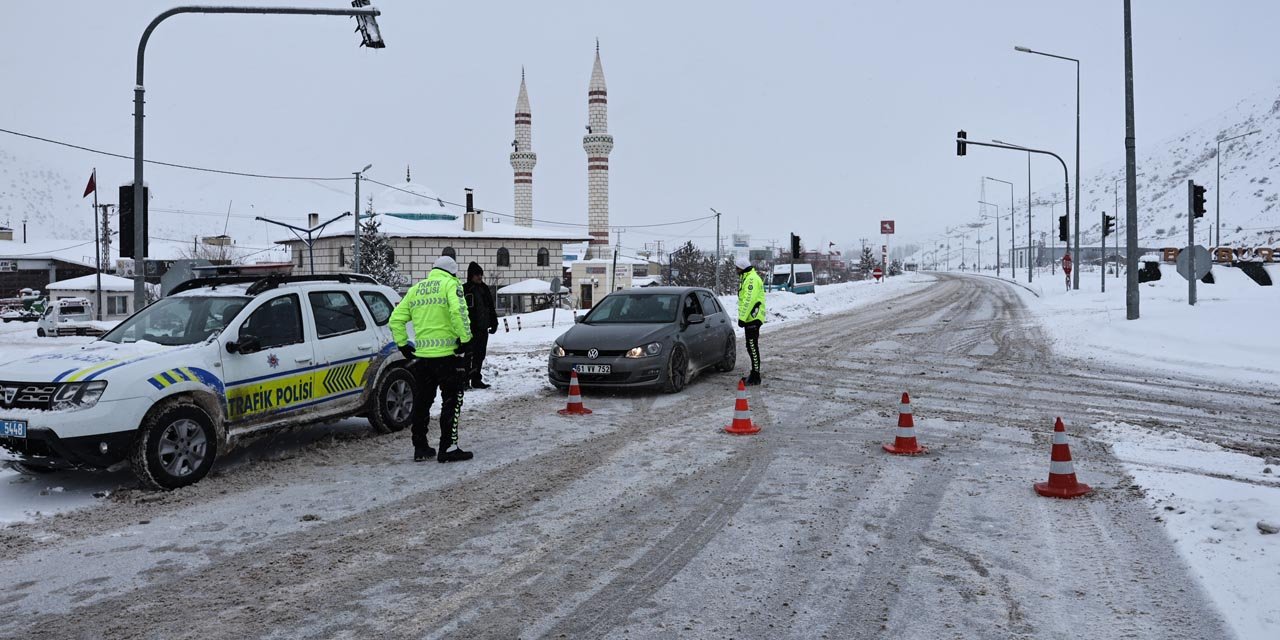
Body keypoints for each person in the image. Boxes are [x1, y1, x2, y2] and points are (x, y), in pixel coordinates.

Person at [389, 255, 474, 463]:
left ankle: (420, 447)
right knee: (451, 402)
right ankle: (448, 447)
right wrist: (466, 339)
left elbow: (395, 319)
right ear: (452, 272)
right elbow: (458, 312)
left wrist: (403, 344)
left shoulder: (417, 289)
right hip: (448, 358)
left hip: (422, 360)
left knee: (422, 403)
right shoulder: (451, 285)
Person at [462, 261, 499, 389]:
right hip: (470, 329)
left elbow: (490, 307)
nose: (479, 277)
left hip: (483, 329)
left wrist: (494, 322)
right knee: (468, 356)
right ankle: (465, 380)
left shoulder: (484, 288)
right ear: (471, 275)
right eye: (477, 275)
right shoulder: (465, 289)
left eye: (481, 275)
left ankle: (476, 379)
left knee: (479, 355)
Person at [735, 256, 766, 385]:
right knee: (750, 346)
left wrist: (742, 318)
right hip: (751, 317)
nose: (736, 271)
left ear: (741, 268)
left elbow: (749, 300)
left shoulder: (751, 280)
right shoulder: (748, 278)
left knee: (752, 346)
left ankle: (756, 376)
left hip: (753, 318)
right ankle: (754, 373)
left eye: (737, 268)